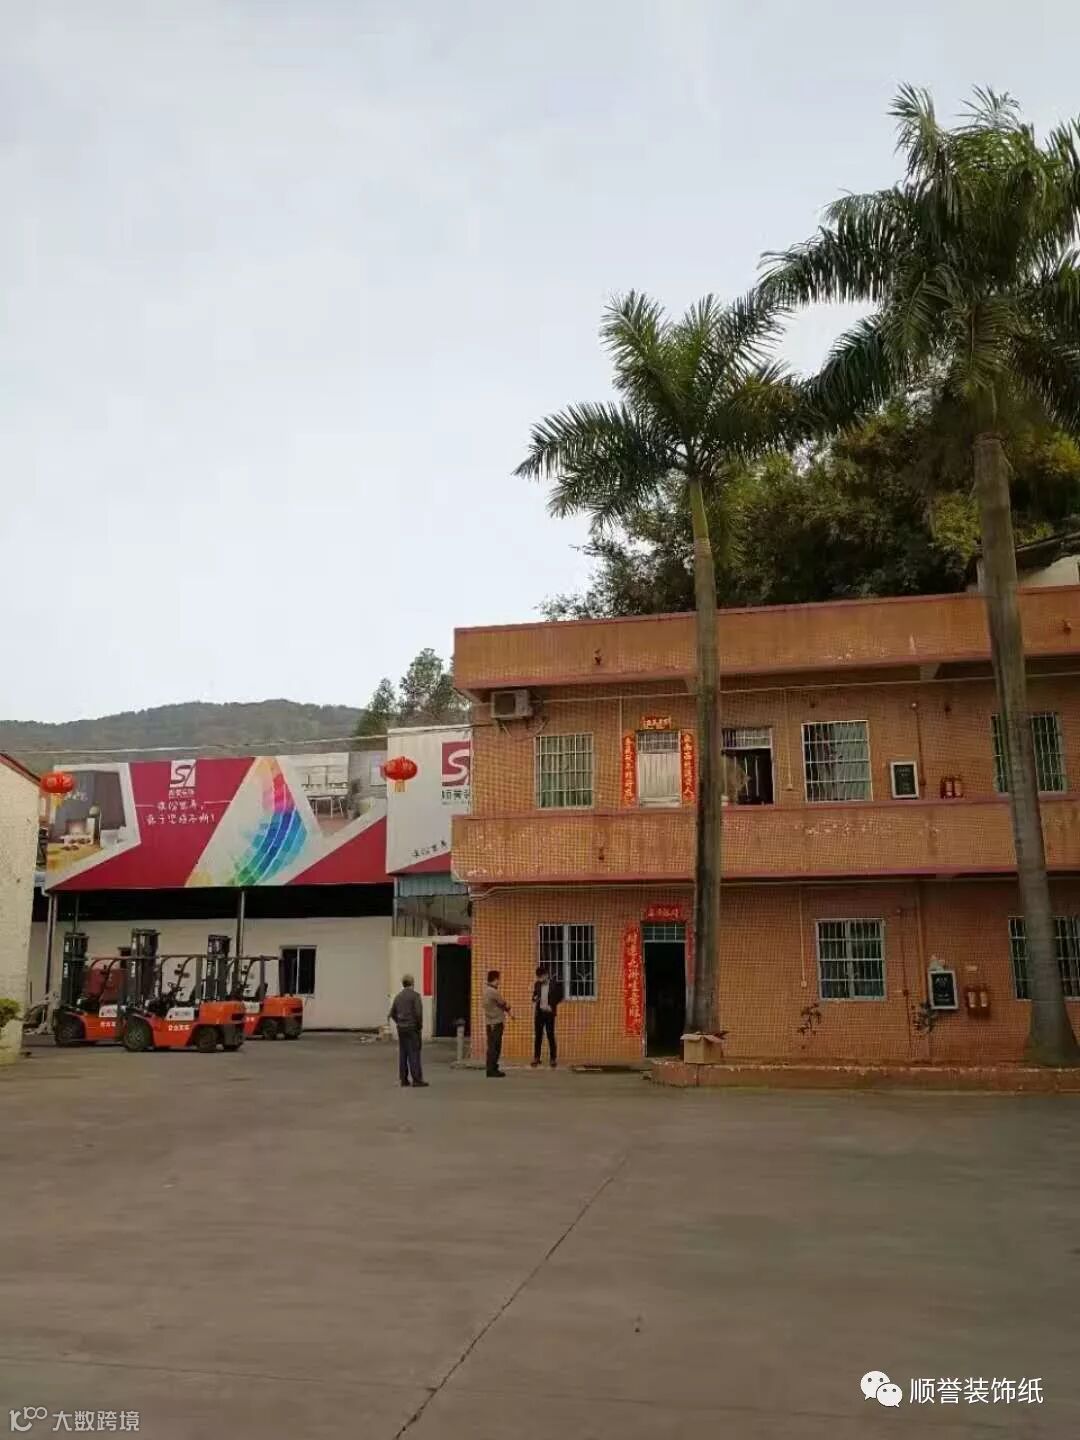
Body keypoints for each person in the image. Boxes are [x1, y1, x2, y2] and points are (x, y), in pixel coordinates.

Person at [389, 974, 428, 1087]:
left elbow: (392, 1013)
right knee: (414, 1053)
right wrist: (419, 1026)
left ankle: (404, 1079)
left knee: (403, 1053)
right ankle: (417, 1079)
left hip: (401, 1028)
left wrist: (399, 1022)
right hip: (412, 1028)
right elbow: (418, 1013)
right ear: (412, 983)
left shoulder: (398, 997)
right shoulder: (415, 996)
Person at [531, 964, 564, 1068]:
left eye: (541, 977)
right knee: (538, 1036)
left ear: (546, 975)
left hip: (549, 1014)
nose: (539, 979)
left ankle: (553, 1059)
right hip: (539, 1013)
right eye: (538, 977)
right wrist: (534, 998)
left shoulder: (555, 984)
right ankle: (536, 1058)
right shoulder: (537, 984)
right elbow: (534, 995)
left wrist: (552, 1006)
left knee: (550, 1035)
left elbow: (560, 997)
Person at [482, 969, 512, 1077]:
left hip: (490, 1022)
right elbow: (504, 1003)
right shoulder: (493, 992)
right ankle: (492, 1069)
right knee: (495, 1047)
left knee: (491, 1046)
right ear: (495, 979)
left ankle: (491, 1068)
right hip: (496, 1022)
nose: (499, 982)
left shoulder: (486, 990)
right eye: (498, 979)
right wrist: (508, 1007)